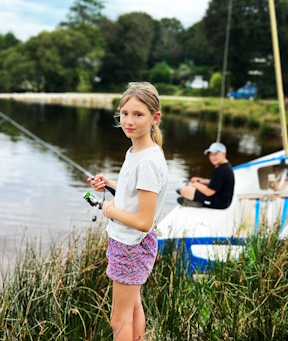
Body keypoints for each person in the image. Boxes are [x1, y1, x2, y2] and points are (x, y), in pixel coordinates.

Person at [87, 82, 169, 341]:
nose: (129, 121)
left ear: (154, 118)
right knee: (133, 308)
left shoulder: (148, 161)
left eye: (138, 114)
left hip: (131, 245)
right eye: (124, 114)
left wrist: (108, 209)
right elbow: (135, 191)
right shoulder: (136, 151)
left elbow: (144, 221)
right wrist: (110, 184)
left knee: (118, 319)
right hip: (128, 243)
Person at [177, 142, 234, 209]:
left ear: (224, 154)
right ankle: (193, 198)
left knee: (184, 191)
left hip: (220, 202)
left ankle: (200, 203)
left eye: (215, 154)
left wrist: (195, 184)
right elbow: (215, 182)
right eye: (210, 155)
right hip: (223, 199)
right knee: (188, 189)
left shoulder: (221, 170)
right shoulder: (225, 166)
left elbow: (209, 192)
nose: (213, 157)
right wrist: (200, 181)